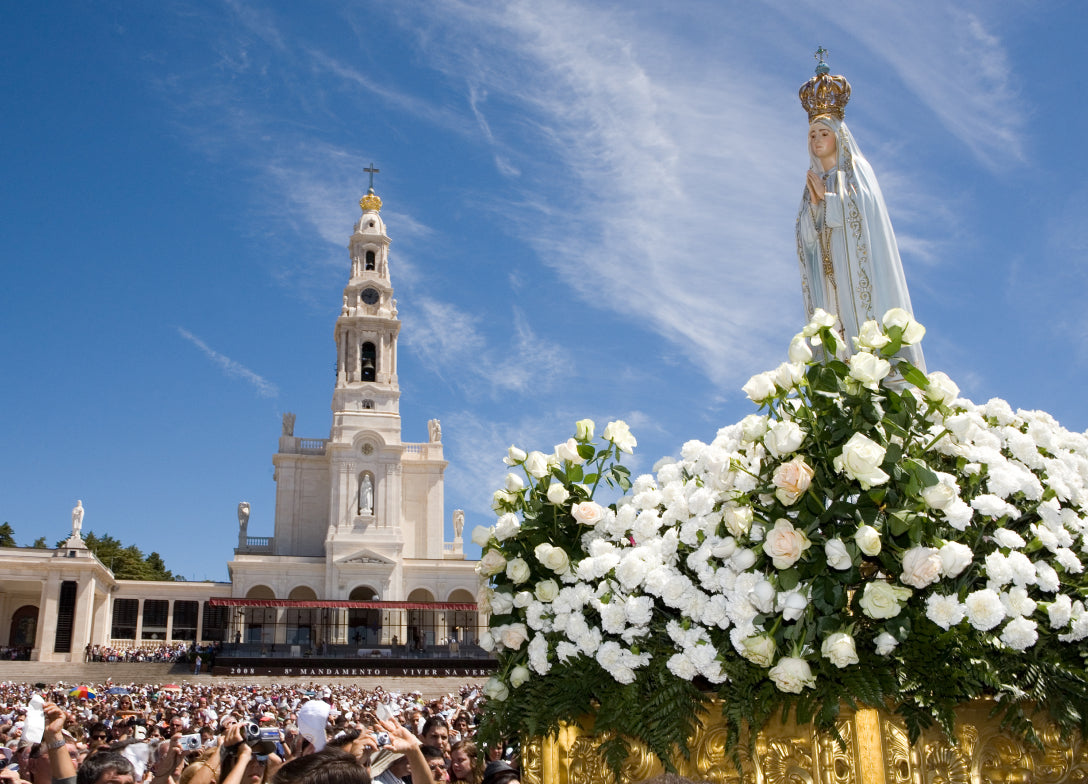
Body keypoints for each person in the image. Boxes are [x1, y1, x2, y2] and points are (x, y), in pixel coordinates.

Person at [795, 57, 925, 372]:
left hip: (857, 276)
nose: (816, 141)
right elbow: (806, 241)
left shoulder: (856, 171)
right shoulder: (812, 182)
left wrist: (828, 202)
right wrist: (814, 209)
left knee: (864, 343)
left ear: (838, 135)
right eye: (812, 135)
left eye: (823, 133)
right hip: (830, 281)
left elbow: (865, 216)